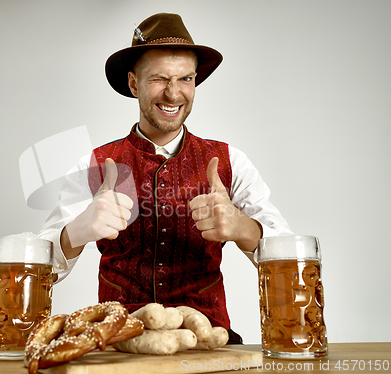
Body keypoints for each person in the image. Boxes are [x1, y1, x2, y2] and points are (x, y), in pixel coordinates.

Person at [39, 13, 292, 344]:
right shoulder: (94, 164)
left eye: (186, 79)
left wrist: (242, 227)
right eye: (159, 79)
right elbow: (38, 269)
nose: (174, 94)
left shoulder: (232, 161)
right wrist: (77, 231)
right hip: (120, 343)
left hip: (209, 342)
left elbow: (290, 260)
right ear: (133, 84)